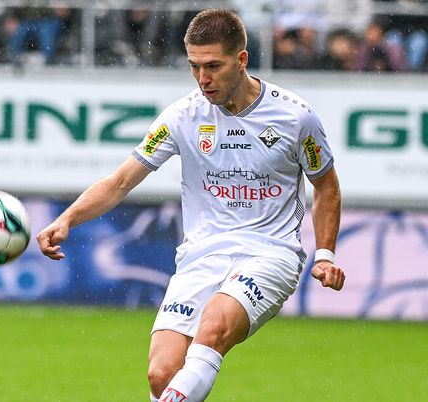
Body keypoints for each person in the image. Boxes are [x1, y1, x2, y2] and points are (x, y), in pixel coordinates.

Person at [37, 9, 345, 402]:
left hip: (270, 253)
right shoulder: (183, 116)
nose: (203, 79)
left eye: (214, 66)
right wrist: (67, 220)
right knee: (161, 373)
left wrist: (325, 254)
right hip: (201, 255)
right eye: (195, 67)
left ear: (242, 59)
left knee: (212, 328)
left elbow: (327, 187)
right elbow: (120, 182)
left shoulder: (295, 117)